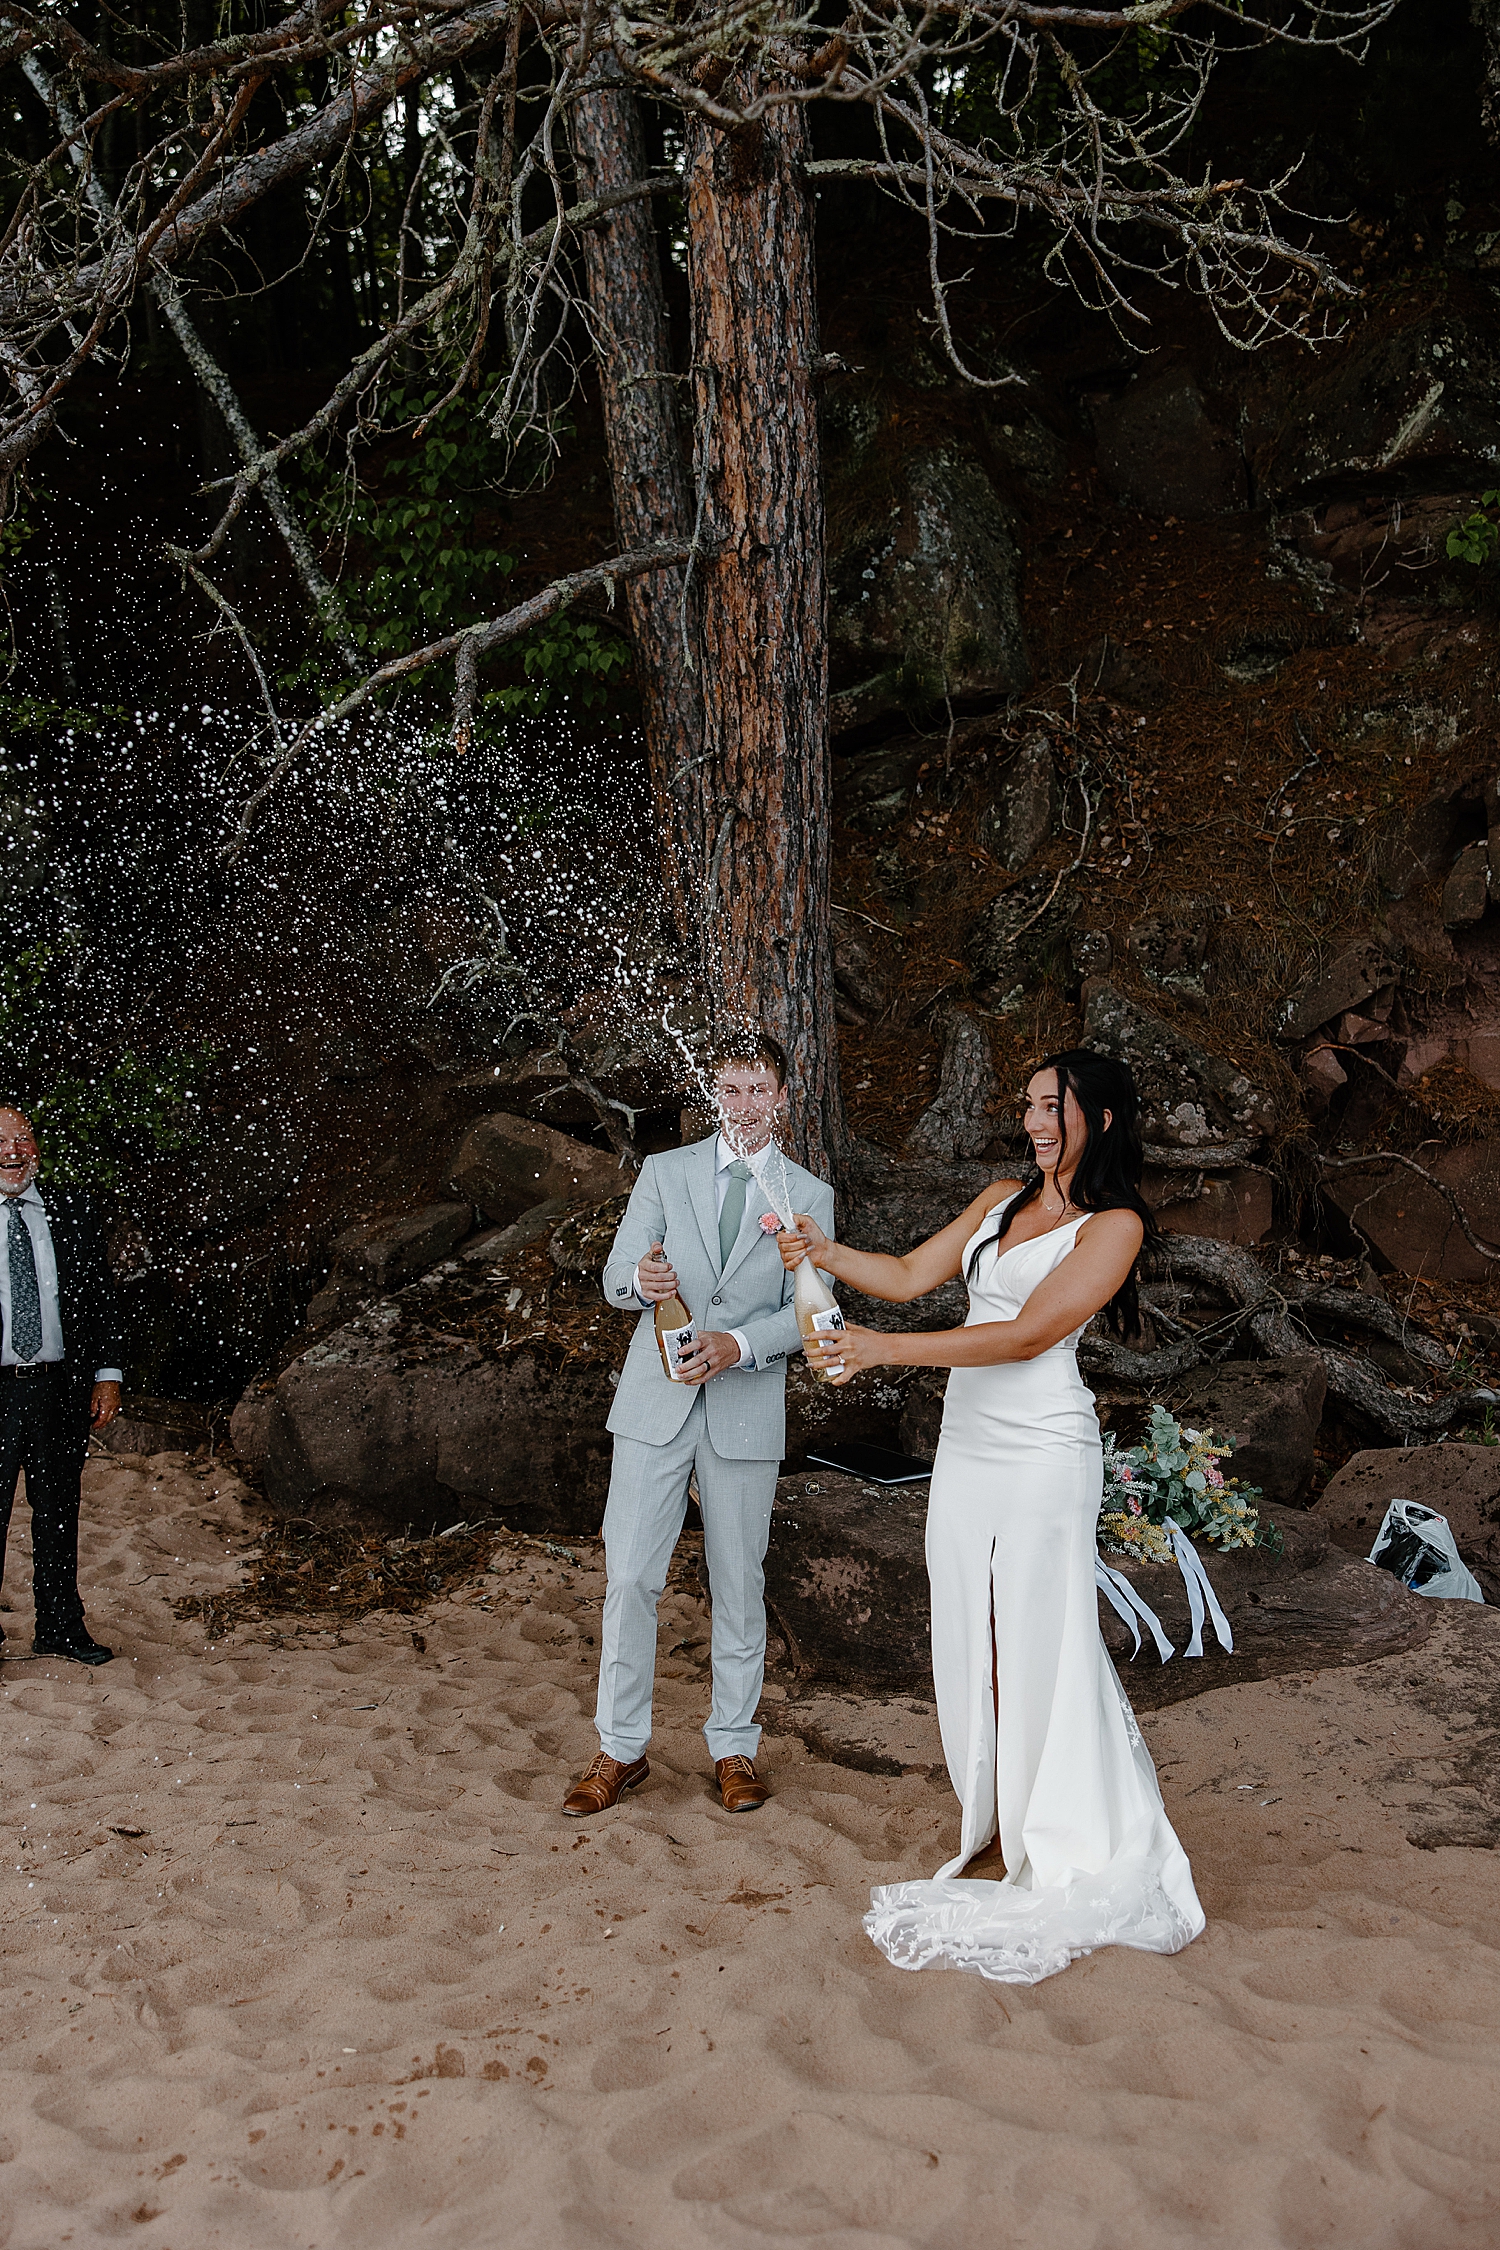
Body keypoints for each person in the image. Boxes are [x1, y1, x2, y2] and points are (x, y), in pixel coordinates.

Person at [780, 1049, 1204, 1984]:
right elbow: (900, 1272)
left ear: (1098, 1115)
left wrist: (884, 1354)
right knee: (968, 1628)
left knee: (1039, 1634)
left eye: (1052, 1105)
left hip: (1045, 1453)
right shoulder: (1003, 1197)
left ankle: (1061, 1825)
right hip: (968, 1453)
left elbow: (1026, 1334)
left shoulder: (1116, 1226)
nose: (1035, 1120)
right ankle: (1004, 1814)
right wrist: (823, 1252)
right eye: (1029, 1105)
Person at [563, 1033, 835, 1818]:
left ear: (783, 1097)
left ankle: (734, 1747)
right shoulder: (665, 1172)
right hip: (654, 1405)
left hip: (744, 1411)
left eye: (759, 1090)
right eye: (731, 1089)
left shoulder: (807, 1196)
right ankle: (619, 1750)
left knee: (740, 1583)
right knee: (631, 1578)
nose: (744, 1105)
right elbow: (619, 1277)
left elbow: (811, 1318)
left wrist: (740, 1345)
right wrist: (640, 1280)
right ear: (712, 1092)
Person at [0, 1104, 124, 1665]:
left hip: (59, 1388)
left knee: (57, 1513)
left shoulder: (70, 1211)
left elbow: (101, 1299)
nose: (13, 1151)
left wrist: (107, 1374)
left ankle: (59, 1629)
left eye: (23, 1139)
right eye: (2, 1140)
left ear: (38, 1148)